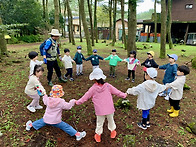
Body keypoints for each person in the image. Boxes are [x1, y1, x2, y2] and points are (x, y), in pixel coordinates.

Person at [75, 68, 127, 142]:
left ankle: (98, 135)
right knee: (111, 120)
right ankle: (112, 131)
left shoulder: (93, 88)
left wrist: (78, 102)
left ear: (94, 79)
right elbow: (117, 92)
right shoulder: (108, 86)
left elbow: (85, 97)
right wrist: (124, 95)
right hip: (110, 109)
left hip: (100, 110)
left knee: (99, 122)